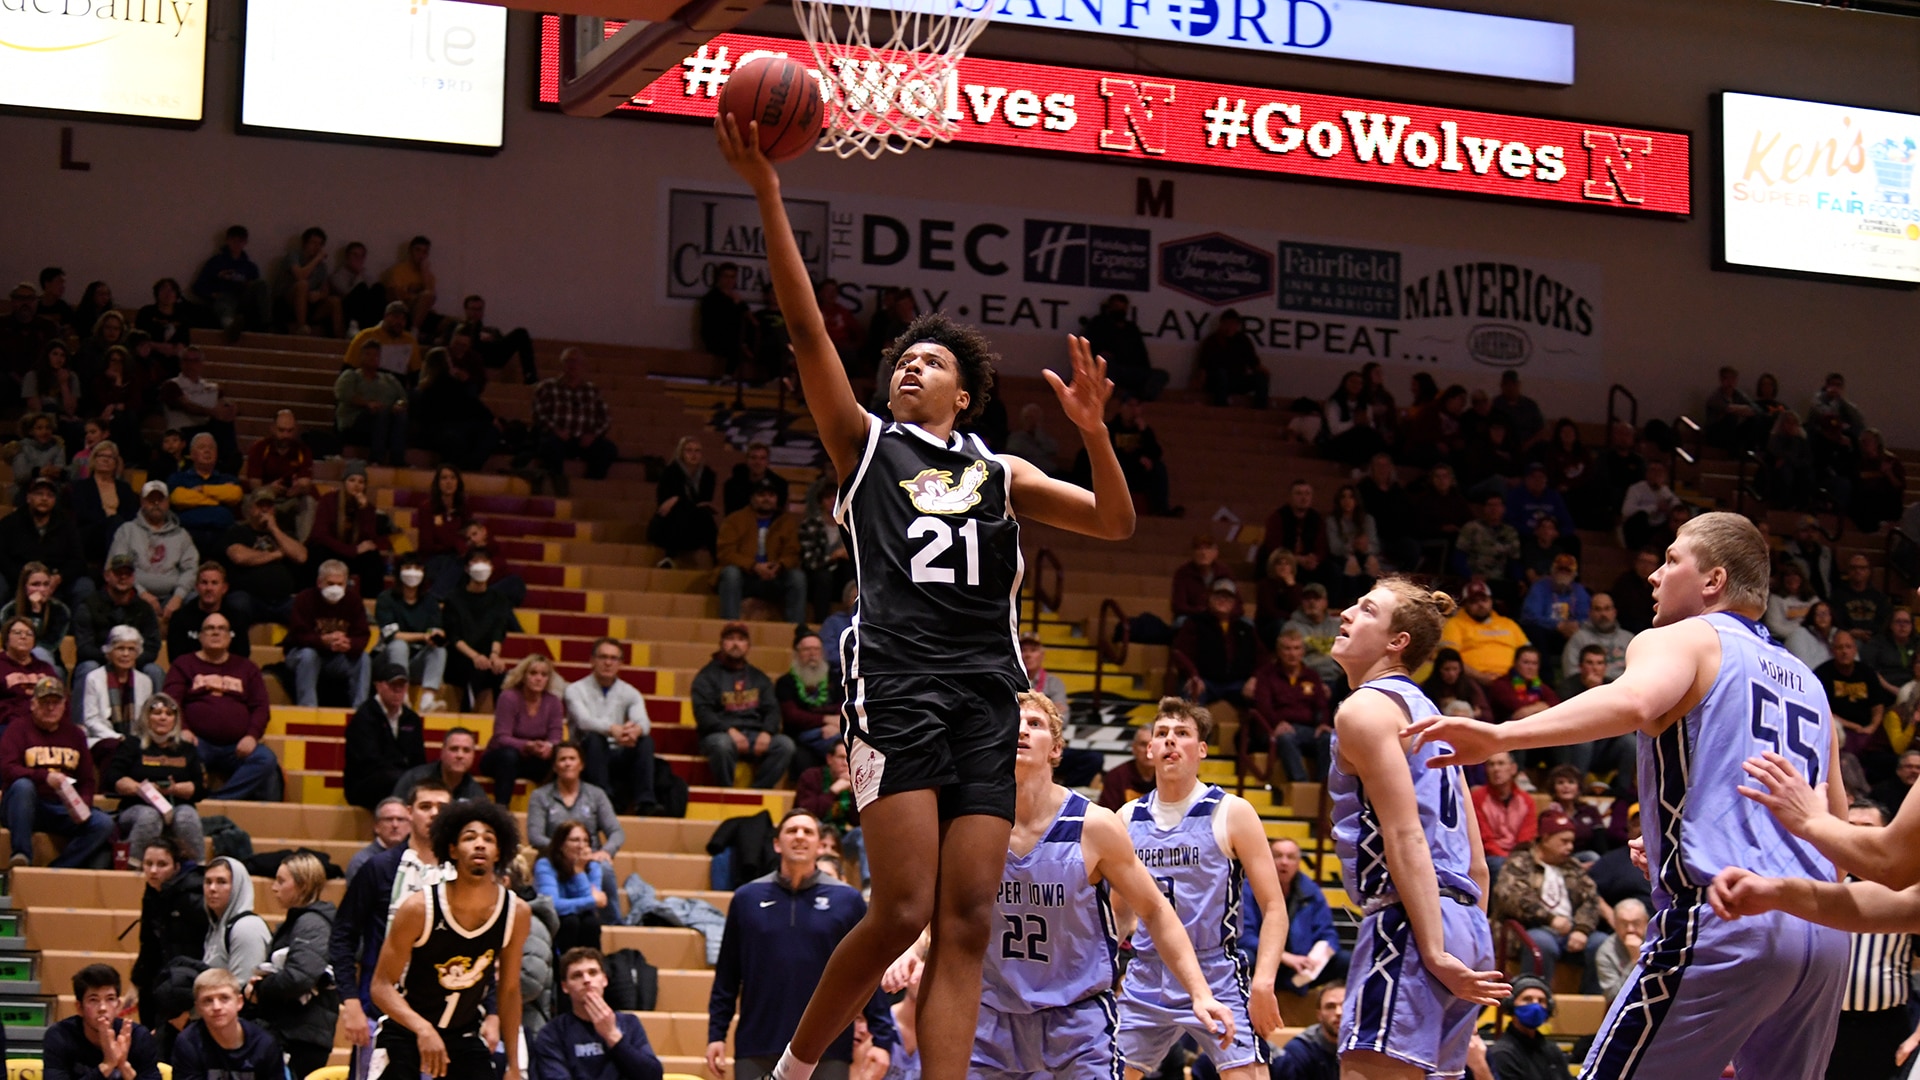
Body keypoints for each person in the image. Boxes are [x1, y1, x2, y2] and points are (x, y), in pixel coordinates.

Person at [721, 114, 1136, 1080]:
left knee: (968, 920)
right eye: (903, 360)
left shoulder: (1002, 471)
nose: (911, 365)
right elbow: (805, 329)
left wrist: (1094, 431)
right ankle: (795, 1069)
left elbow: (1116, 523)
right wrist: (770, 193)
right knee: (903, 907)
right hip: (899, 681)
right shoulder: (865, 444)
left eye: (932, 361)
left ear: (965, 395)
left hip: (988, 691)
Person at [1411, 511, 1847, 1080]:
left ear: (1713, 580)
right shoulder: (1809, 680)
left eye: (1671, 560)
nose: (1654, 575)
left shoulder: (1686, 637)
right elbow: (1836, 830)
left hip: (1729, 916)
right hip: (1823, 933)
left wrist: (1500, 736)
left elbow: (1634, 701)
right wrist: (1679, 842)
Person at [1325, 578, 1507, 1080]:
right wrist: (1465, 934)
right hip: (1465, 918)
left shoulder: (1365, 709)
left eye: (1366, 609)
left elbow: (1404, 835)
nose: (1346, 613)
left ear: (1397, 641)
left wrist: (1432, 949)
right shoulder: (1433, 718)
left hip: (1410, 920)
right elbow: (1477, 860)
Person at [1112, 699, 1283, 1080]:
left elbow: (1274, 907)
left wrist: (1264, 981)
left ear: (1201, 749)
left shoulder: (1231, 812)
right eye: (1162, 734)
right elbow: (1120, 912)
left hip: (1215, 969)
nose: (1170, 740)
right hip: (1147, 972)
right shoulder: (1127, 818)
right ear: (1150, 749)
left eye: (1182, 733)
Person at [706, 808, 897, 1080]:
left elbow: (865, 973)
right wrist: (716, 1034)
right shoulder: (746, 899)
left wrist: (882, 1039)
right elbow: (727, 975)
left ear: (820, 845)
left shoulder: (847, 901)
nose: (799, 836)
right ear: (776, 843)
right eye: (791, 830)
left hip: (829, 1048)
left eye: (808, 831)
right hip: (757, 1045)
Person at [369, 799, 532, 1080]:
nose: (479, 844)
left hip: (464, 1034)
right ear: (453, 849)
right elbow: (381, 986)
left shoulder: (516, 913)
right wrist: (423, 1028)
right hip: (406, 1030)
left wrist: (514, 1065)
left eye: (488, 839)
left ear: (499, 852)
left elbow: (509, 990)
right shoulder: (419, 908)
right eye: (470, 838)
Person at [331, 780, 453, 1073]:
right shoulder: (379, 867)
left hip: (444, 1013)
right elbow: (343, 936)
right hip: (379, 1010)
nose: (434, 814)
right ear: (410, 812)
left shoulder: (461, 874)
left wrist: (491, 1012)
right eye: (425, 806)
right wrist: (350, 1002)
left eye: (442, 807)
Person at [164, 613, 280, 801]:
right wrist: (183, 729)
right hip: (198, 742)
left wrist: (252, 736)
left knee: (266, 759)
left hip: (237, 746)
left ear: (230, 636)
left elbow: (261, 707)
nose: (216, 632)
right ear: (200, 636)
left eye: (221, 629)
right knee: (179, 753)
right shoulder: (183, 664)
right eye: (210, 628)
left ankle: (218, 800)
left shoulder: (247, 668)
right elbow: (171, 701)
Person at [1, 675, 114, 867]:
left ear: (64, 705)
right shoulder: (17, 729)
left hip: (62, 807)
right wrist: (44, 777)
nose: (51, 708)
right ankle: (21, 855)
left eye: (56, 702)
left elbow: (87, 780)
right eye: (45, 702)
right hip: (25, 806)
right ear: (33, 704)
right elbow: (7, 768)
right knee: (23, 786)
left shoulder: (75, 734)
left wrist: (83, 804)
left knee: (103, 823)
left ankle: (57, 869)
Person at [247, 852, 341, 1080]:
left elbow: (300, 977)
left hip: (301, 1035)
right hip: (293, 1030)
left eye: (281, 881)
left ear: (303, 885)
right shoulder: (301, 921)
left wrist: (261, 988)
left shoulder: (312, 923)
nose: (273, 887)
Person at [1491, 809, 1604, 985]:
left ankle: (1593, 1000)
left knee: (1600, 943)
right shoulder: (1520, 862)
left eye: (1572, 842)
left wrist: (1582, 929)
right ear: (1545, 838)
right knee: (1541, 942)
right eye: (1564, 841)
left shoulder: (1572, 867)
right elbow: (1512, 897)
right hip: (1530, 929)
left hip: (1570, 930)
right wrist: (1550, 919)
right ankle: (1533, 994)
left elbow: (1590, 900)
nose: (1570, 847)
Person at [533, 947, 666, 1080]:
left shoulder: (630, 1023)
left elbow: (653, 1076)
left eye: (593, 973)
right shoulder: (552, 1033)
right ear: (565, 987)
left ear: (604, 980)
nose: (586, 980)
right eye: (577, 975)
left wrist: (612, 1036)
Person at [102, 693, 203, 863]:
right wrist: (144, 789)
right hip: (136, 807)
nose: (163, 718)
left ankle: (196, 869)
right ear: (146, 717)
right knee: (150, 816)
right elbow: (113, 778)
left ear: (175, 720)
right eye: (157, 713)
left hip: (177, 807)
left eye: (169, 714)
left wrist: (174, 788)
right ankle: (131, 866)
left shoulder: (186, 748)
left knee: (187, 817)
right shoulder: (131, 744)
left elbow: (200, 787)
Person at [693, 621, 794, 789]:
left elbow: (772, 709)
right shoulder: (706, 677)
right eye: (730, 639)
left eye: (741, 639)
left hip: (755, 734)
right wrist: (730, 731)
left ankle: (757, 792)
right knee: (722, 745)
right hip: (720, 734)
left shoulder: (759, 677)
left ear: (748, 646)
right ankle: (726, 791)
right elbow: (703, 713)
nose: (735, 644)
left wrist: (767, 732)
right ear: (721, 644)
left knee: (785, 745)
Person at [1240, 837, 1345, 994]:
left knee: (1346, 962)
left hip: (1301, 965)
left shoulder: (1311, 891)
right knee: (1245, 958)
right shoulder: (1248, 889)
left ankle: (1334, 1004)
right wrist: (1283, 957)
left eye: (1290, 857)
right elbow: (1244, 936)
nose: (1284, 862)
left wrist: (1316, 958)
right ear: (1267, 860)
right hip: (1263, 960)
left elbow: (1328, 934)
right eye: (1278, 856)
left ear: (1298, 863)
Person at [564, 636, 657, 814]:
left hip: (618, 751)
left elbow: (644, 722)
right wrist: (612, 729)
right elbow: (584, 721)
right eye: (603, 657)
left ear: (620, 663)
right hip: (587, 753)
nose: (608, 663)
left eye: (614, 658)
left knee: (645, 741)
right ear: (592, 660)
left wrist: (635, 731)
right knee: (595, 738)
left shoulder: (630, 692)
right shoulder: (575, 690)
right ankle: (604, 799)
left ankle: (645, 802)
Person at [132, 833, 208, 1031]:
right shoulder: (152, 892)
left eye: (162, 864)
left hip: (188, 982)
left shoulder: (193, 895)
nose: (153, 871)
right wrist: (137, 983)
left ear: (176, 866)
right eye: (148, 864)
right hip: (162, 978)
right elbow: (148, 944)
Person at [44, 964, 162, 1080]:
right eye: (93, 1000)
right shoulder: (60, 1036)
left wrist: (124, 1066)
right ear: (79, 1007)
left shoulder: (138, 1036)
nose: (103, 1008)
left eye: (110, 999)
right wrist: (106, 1066)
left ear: (118, 1005)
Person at [1244, 628, 1331, 785]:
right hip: (1274, 729)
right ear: (1278, 651)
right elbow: (1263, 706)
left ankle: (1324, 787)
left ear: (1303, 651)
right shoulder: (1266, 675)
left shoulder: (1312, 675)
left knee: (1329, 738)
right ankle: (1301, 786)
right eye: (1287, 649)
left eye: (1296, 648)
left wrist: (1323, 723)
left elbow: (1321, 705)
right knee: (1286, 738)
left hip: (1307, 729)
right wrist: (1276, 724)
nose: (1292, 654)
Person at [285, 559, 373, 707]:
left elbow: (363, 635)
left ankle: (360, 710)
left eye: (340, 584)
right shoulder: (304, 598)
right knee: (309, 655)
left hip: (336, 658)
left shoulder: (354, 600)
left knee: (363, 658)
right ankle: (308, 708)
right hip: (302, 654)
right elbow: (297, 635)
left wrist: (348, 644)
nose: (335, 588)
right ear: (319, 583)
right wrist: (322, 640)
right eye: (331, 584)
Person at [718, 478, 807, 623]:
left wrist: (780, 565)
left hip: (775, 576)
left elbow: (793, 552)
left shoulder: (787, 522)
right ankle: (730, 626)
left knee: (797, 577)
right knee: (730, 574)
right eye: (761, 495)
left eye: (771, 495)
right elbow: (725, 552)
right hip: (745, 576)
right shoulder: (734, 520)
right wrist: (753, 566)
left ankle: (797, 629)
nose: (766, 499)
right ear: (752, 498)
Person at [343, 658, 428, 811]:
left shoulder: (412, 719)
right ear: (378, 686)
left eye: (402, 686)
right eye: (392, 685)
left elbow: (418, 759)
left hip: (401, 778)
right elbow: (369, 761)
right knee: (394, 780)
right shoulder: (364, 717)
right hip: (365, 784)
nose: (397, 691)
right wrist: (403, 773)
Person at [532, 348, 617, 497]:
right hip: (558, 437)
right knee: (549, 446)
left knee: (608, 449)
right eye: (569, 361)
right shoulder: (547, 387)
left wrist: (593, 435)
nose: (573, 365)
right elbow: (539, 414)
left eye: (577, 362)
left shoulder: (592, 390)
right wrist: (556, 431)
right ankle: (557, 486)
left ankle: (590, 487)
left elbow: (605, 419)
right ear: (562, 364)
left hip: (584, 440)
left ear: (583, 366)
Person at [173, 968, 286, 1080]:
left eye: (224, 998)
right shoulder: (188, 1042)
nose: (216, 1007)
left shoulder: (264, 1043)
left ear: (239, 1002)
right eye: (208, 1000)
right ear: (198, 1008)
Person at [482, 652, 564, 803]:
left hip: (534, 758)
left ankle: (554, 808)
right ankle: (501, 809)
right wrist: (527, 745)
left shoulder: (553, 702)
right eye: (533, 673)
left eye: (544, 675)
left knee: (561, 757)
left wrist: (548, 747)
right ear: (523, 675)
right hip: (500, 757)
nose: (538, 678)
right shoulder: (508, 697)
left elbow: (556, 737)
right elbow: (501, 737)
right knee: (509, 756)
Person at [444, 545, 517, 712]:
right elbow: (454, 636)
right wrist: (475, 656)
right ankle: (466, 713)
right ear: (466, 568)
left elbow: (499, 631)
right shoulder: (454, 598)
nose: (480, 566)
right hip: (460, 657)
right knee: (474, 670)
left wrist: (495, 655)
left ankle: (501, 718)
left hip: (486, 656)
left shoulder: (499, 599)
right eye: (475, 562)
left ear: (491, 567)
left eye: (484, 562)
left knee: (500, 673)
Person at [527, 740, 627, 860]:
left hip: (590, 857)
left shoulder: (597, 794)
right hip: (554, 858)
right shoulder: (540, 796)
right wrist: (564, 850)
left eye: (572, 759)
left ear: (581, 765)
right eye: (562, 759)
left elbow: (616, 832)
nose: (567, 763)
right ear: (554, 767)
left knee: (605, 868)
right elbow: (535, 836)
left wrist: (606, 851)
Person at [222, 487, 308, 624]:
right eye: (260, 505)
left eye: (269, 506)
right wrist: (277, 554)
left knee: (302, 607)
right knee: (238, 603)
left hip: (282, 600)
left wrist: (274, 529)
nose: (264, 510)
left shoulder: (285, 535)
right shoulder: (238, 531)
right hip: (249, 597)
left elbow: (301, 556)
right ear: (250, 509)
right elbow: (239, 556)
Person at [1173, 579, 1261, 710]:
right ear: (1210, 598)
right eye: (1218, 596)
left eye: (1228, 597)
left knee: (1263, 695)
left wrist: (1254, 678)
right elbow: (1180, 653)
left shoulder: (1245, 628)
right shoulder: (1195, 623)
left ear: (1234, 602)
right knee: (1190, 695)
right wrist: (1193, 675)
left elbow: (1262, 658)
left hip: (1237, 683)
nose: (1223, 600)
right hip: (1204, 681)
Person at [377, 552, 447, 714]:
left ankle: (427, 701)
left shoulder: (430, 601)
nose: (413, 572)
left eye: (417, 568)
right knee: (399, 645)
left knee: (439, 649)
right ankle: (402, 698)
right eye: (408, 567)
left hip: (416, 661)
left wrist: (437, 635)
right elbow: (392, 635)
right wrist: (423, 636)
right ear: (399, 571)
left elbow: (435, 629)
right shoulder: (386, 599)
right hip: (388, 661)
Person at [536, 818, 614, 955]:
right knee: (570, 921)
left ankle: (592, 963)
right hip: (556, 921)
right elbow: (551, 905)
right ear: (561, 845)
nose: (581, 846)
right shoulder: (545, 865)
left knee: (591, 922)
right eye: (575, 840)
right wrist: (592, 900)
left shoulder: (593, 866)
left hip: (582, 922)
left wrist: (579, 871)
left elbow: (590, 908)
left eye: (585, 841)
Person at [81, 624, 156, 760]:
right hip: (103, 738)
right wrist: (118, 737)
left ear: (137, 653)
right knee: (114, 748)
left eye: (131, 649)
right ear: (109, 652)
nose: (125, 654)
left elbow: (145, 720)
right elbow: (91, 719)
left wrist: (133, 740)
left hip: (135, 740)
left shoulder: (145, 681)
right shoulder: (94, 678)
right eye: (120, 648)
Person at [1819, 631, 1894, 766]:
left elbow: (1878, 705)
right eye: (1839, 647)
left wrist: (1872, 727)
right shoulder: (1822, 673)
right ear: (1832, 650)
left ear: (1855, 649)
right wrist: (1852, 726)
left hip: (1868, 729)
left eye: (1848, 647)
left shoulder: (1867, 672)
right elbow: (1822, 709)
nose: (1844, 651)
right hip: (1839, 729)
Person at [244, 409, 318, 538]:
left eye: (290, 431)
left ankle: (303, 546)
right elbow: (254, 484)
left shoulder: (303, 451)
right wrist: (270, 489)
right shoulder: (260, 448)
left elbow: (306, 482)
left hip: (291, 499)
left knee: (309, 502)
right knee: (248, 500)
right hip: (265, 496)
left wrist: (300, 487)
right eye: (281, 430)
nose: (286, 435)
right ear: (272, 428)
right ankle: (253, 541)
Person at [168, 432, 244, 556]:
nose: (207, 451)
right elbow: (178, 498)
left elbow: (235, 494)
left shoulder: (227, 478)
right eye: (202, 447)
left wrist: (202, 489)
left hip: (223, 534)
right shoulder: (178, 478)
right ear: (192, 454)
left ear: (217, 453)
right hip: (188, 533)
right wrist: (218, 498)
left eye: (211, 448)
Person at [1439, 580, 1528, 684]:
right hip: (1473, 680)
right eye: (1474, 601)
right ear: (1465, 604)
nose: (1480, 605)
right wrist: (1481, 677)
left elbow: (1528, 654)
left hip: (1513, 680)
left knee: (1541, 690)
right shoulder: (1455, 624)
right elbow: (1449, 659)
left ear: (1491, 601)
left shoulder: (1508, 624)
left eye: (1484, 600)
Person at [779, 629, 844, 771]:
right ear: (797, 654)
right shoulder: (786, 682)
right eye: (807, 649)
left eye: (816, 649)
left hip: (836, 730)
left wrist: (837, 726)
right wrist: (826, 720)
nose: (812, 654)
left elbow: (844, 705)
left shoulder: (835, 678)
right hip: (802, 734)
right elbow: (792, 716)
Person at [1083, 293, 1168, 402]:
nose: (1120, 311)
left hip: (1130, 370)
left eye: (1123, 308)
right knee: (1106, 363)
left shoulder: (1132, 329)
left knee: (1161, 375)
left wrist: (1145, 370)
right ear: (1109, 307)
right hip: (1110, 368)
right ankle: (1110, 395)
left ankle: (1138, 397)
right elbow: (1087, 346)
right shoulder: (1098, 323)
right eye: (1116, 307)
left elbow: (1142, 353)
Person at [649, 435, 720, 565]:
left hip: (695, 525)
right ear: (681, 452)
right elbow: (664, 506)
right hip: (669, 525)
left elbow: (703, 501)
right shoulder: (670, 472)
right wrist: (684, 503)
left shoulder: (708, 475)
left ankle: (718, 559)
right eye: (689, 450)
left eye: (697, 451)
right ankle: (669, 557)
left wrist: (679, 499)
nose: (693, 454)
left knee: (703, 514)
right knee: (679, 511)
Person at [1484, 976, 1569, 1080]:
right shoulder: (1502, 1053)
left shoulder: (1552, 1050)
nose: (1535, 1006)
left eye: (1541, 1001)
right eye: (1527, 999)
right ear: (1511, 1005)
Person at [71, 438, 137, 572]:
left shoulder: (124, 488)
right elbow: (82, 514)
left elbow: (132, 514)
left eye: (111, 457)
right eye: (102, 456)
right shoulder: (81, 487)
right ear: (94, 460)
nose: (106, 460)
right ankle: (114, 567)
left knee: (122, 527)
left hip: (121, 532)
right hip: (91, 534)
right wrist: (109, 522)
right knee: (115, 523)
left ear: (116, 463)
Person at [1470, 752, 1535, 881]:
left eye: (1501, 764)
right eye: (1491, 765)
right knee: (1499, 864)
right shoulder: (1477, 798)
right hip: (1490, 856)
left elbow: (1526, 837)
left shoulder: (1527, 800)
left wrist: (1513, 858)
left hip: (1518, 855)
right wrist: (1506, 859)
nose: (1496, 769)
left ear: (1513, 769)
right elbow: (1484, 839)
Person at [450, 293, 539, 385]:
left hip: (491, 356)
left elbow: (500, 345)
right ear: (466, 310)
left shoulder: (489, 330)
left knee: (521, 333)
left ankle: (530, 377)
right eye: (473, 309)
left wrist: (492, 338)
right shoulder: (456, 327)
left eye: (479, 309)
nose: (476, 312)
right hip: (473, 355)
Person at [1270, 983, 1344, 1080]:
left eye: (1345, 1005)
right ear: (1319, 1015)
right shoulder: (1299, 1050)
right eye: (1330, 1007)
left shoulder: (1362, 1046)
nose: (1339, 1012)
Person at [392, 727, 486, 803]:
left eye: (466, 750)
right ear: (442, 752)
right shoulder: (413, 779)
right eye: (454, 749)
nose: (460, 755)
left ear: (473, 756)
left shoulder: (476, 794)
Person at [0, 614, 59, 729]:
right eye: (17, 633)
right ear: (7, 639)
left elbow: (61, 699)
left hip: (44, 723)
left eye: (29, 634)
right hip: (8, 724)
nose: (23, 637)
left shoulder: (45, 668)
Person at [1562, 592, 1634, 682]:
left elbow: (1640, 670)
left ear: (1614, 612)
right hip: (1590, 688)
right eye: (1598, 609)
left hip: (1625, 687)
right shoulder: (1579, 639)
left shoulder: (1628, 639)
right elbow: (1571, 674)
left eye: (1607, 609)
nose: (1603, 614)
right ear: (1590, 613)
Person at [1593, 897, 1648, 1004]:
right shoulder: (1606, 952)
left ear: (1646, 922)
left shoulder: (1659, 943)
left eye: (1636, 923)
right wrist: (1635, 961)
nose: (1630, 929)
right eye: (1624, 923)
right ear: (1615, 924)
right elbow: (1611, 996)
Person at [1831, 554, 1894, 639]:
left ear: (1869, 571)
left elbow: (1884, 622)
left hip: (1874, 639)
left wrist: (1869, 633)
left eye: (1862, 568)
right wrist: (1849, 632)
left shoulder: (1880, 598)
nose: (1858, 571)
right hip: (1846, 638)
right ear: (1848, 571)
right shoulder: (1837, 596)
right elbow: (1835, 622)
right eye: (1853, 568)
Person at [725, 442, 794, 515]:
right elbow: (730, 515)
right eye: (753, 458)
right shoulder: (732, 485)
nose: (757, 462)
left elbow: (782, 515)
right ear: (747, 460)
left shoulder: (779, 485)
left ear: (767, 461)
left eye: (762, 458)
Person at [1099, 724, 1155, 812]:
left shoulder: (1170, 777)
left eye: (1153, 745)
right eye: (1143, 745)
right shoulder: (1116, 777)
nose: (1148, 750)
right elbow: (1106, 815)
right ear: (1134, 748)